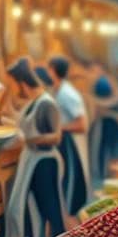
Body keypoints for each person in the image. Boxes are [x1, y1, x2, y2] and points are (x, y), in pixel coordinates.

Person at [3, 58, 67, 237]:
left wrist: (30, 140)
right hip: (33, 161)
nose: (13, 89)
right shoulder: (33, 102)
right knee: (29, 204)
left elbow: (56, 136)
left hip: (44, 163)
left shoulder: (47, 104)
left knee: (50, 208)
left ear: (22, 82)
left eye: (13, 84)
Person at [48, 56, 90, 215]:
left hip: (69, 145)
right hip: (62, 143)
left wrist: (59, 128)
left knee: (70, 187)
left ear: (53, 71)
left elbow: (82, 125)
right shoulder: (58, 90)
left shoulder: (67, 94)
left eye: (48, 69)